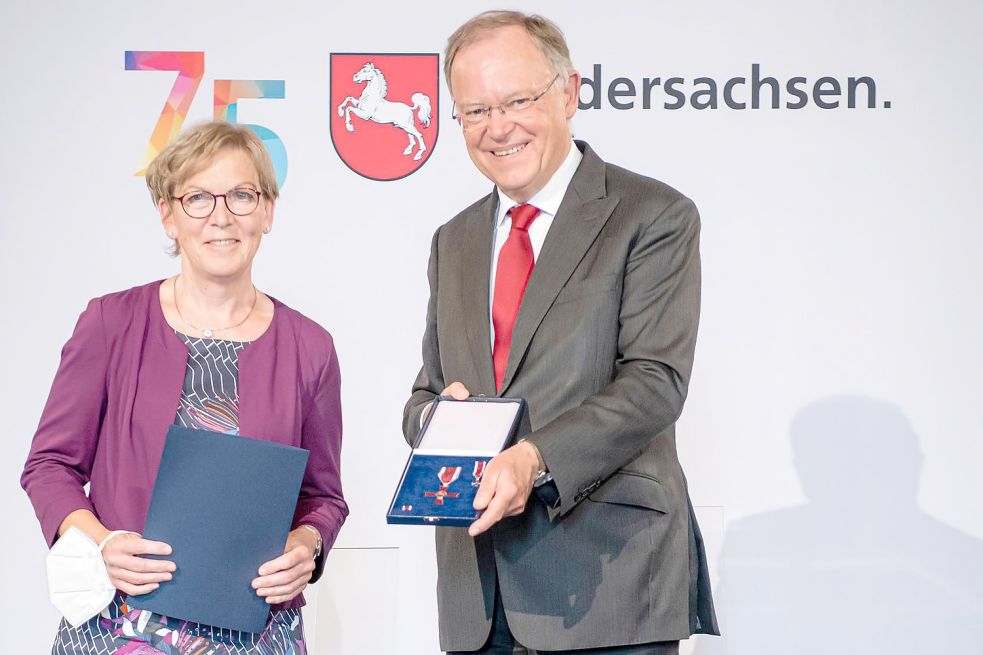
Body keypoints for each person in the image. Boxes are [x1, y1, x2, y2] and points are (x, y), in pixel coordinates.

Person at [402, 11, 719, 654]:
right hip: (478, 597)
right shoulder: (453, 240)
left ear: (570, 92)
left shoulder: (653, 216)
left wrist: (533, 458)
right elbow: (427, 393)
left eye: (518, 100)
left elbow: (656, 381)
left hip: (610, 587)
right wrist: (437, 424)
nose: (498, 127)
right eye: (475, 110)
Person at [21, 120, 347, 652]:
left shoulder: (310, 347)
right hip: (118, 625)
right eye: (197, 197)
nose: (221, 216)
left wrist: (306, 548)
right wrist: (102, 543)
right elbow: (49, 467)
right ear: (168, 216)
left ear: (268, 210)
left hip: (257, 632)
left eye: (242, 195)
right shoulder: (111, 323)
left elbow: (323, 496)